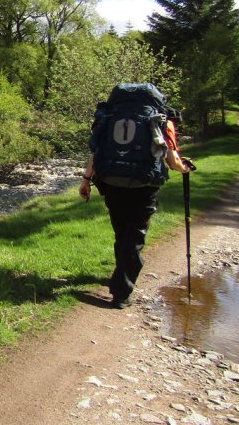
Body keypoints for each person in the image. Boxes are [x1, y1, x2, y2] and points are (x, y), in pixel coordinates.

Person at [78, 92, 191, 308]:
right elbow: (172, 160)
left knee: (121, 231)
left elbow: (96, 152)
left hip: (111, 182)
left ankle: (120, 273)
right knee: (135, 236)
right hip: (144, 185)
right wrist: (184, 168)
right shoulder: (160, 118)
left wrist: (86, 179)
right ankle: (121, 293)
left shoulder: (109, 117)